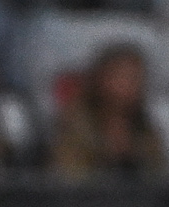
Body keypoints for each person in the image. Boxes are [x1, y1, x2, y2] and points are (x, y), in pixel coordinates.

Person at [50, 43, 163, 180]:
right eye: (123, 77)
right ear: (101, 79)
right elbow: (68, 178)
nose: (131, 86)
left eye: (136, 78)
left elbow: (159, 178)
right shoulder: (75, 128)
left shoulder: (145, 132)